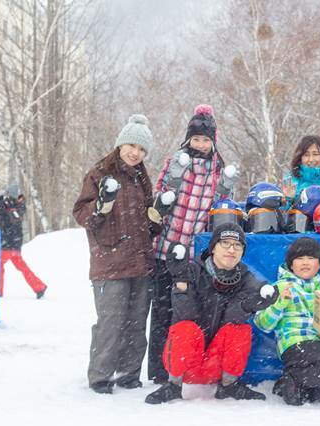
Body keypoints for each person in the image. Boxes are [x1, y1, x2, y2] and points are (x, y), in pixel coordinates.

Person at [73, 114, 161, 394]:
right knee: (110, 322)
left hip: (141, 261)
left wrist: (157, 218)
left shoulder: (141, 177)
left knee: (136, 323)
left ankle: (128, 374)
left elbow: (146, 220)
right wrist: (100, 207)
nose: (136, 153)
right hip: (109, 261)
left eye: (142, 149)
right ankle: (100, 377)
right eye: (132, 146)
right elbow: (81, 213)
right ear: (121, 144)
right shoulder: (100, 173)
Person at [144, 223, 278, 404]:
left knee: (239, 329)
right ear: (213, 247)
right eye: (225, 243)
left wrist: (250, 304)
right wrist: (180, 280)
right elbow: (185, 314)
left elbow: (232, 317)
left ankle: (229, 385)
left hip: (216, 367)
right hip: (188, 366)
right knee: (185, 328)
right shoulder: (192, 270)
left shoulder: (245, 277)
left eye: (237, 245)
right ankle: (173, 386)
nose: (231, 250)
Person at [148, 104, 231, 384]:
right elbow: (159, 197)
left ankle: (184, 368)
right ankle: (159, 372)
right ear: (188, 139)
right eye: (196, 139)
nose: (200, 144)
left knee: (188, 314)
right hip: (167, 248)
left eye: (206, 140)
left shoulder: (218, 170)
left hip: (196, 256)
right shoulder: (176, 163)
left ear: (213, 142)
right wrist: (166, 195)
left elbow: (221, 208)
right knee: (161, 312)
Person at [254, 237, 320, 406]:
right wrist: (280, 304)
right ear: (291, 264)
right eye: (299, 258)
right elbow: (262, 323)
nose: (305, 263)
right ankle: (294, 378)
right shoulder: (280, 287)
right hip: (295, 344)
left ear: (319, 265)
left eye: (311, 258)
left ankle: (297, 385)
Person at [0, 185, 47, 299]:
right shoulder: (9, 204)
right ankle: (39, 287)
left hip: (7, 243)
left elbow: (9, 216)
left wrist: (2, 205)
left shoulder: (16, 206)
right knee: (21, 267)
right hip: (12, 244)